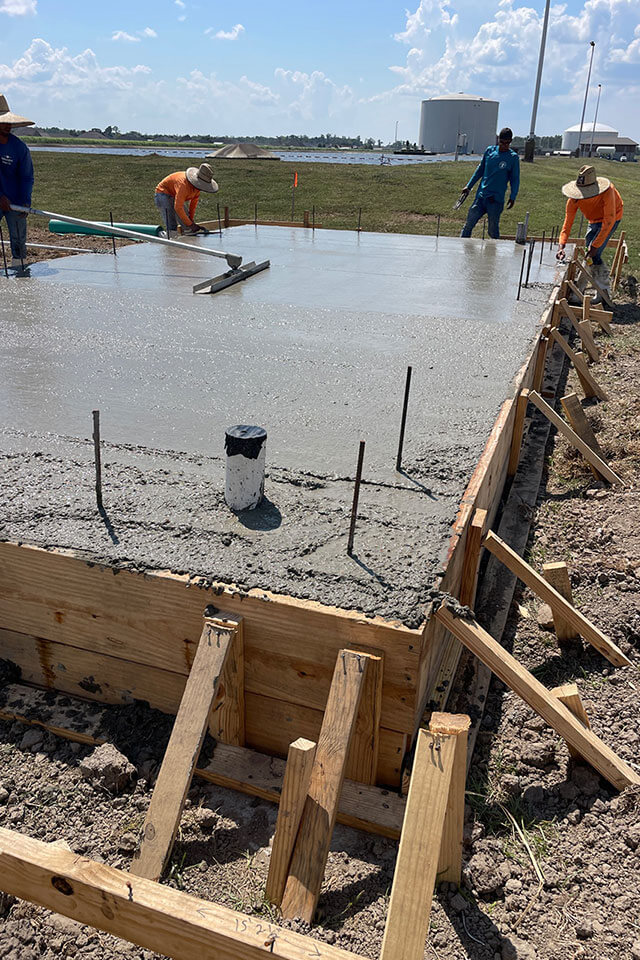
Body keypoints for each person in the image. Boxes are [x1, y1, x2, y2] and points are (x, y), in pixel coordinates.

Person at [555, 165, 623, 295]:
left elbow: (609, 221)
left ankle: (603, 291)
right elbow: (567, 224)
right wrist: (561, 245)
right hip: (593, 219)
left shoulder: (608, 192)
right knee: (588, 250)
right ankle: (580, 287)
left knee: (594, 253)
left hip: (613, 217)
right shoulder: (573, 200)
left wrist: (596, 246)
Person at [459, 127, 519, 240]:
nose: (504, 145)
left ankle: (492, 255)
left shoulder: (513, 158)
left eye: (507, 143)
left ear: (510, 141)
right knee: (468, 225)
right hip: (481, 198)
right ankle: (463, 253)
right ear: (498, 140)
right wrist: (469, 186)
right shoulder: (489, 152)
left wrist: (513, 196)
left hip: (496, 201)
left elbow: (515, 179)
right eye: (502, 142)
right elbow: (480, 170)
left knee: (493, 231)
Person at [0, 94, 35, 270]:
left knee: (19, 240)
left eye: (8, 122)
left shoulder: (19, 148)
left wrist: (25, 201)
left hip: (15, 201)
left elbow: (27, 176)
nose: (7, 126)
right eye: (3, 122)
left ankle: (20, 271)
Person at [154, 163, 218, 235]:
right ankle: (166, 236)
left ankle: (187, 235)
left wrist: (191, 220)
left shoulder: (197, 189)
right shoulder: (183, 185)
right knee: (172, 223)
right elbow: (178, 207)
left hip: (174, 194)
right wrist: (191, 224)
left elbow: (193, 206)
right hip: (163, 193)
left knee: (186, 223)